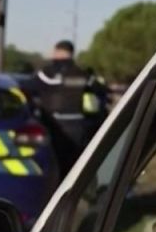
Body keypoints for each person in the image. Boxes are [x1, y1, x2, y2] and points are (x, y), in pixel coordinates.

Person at [33, 40, 104, 176]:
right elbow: (101, 93)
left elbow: (29, 88)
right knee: (75, 169)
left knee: (54, 169)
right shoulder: (84, 75)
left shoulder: (47, 74)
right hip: (79, 128)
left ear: (58, 52)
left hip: (54, 127)